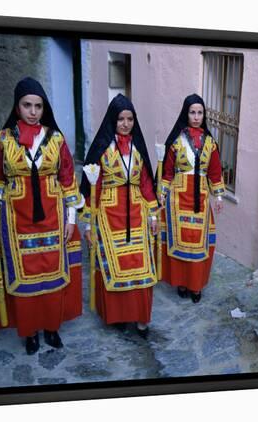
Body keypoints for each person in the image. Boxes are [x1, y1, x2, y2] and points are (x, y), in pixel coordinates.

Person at [0, 77, 83, 355]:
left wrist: (71, 220)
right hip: (17, 220)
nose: (33, 111)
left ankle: (51, 327)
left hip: (52, 217)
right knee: (24, 279)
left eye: (38, 106)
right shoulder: (1, 140)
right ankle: (29, 332)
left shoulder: (56, 139)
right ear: (17, 107)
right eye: (27, 105)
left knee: (52, 276)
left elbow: (67, 180)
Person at [80, 94, 158, 339]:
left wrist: (154, 215)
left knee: (142, 267)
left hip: (137, 212)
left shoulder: (138, 148)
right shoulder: (103, 149)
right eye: (121, 119)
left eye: (130, 119)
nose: (125, 123)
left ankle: (142, 318)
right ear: (112, 120)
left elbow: (146, 183)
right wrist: (88, 224)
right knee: (113, 267)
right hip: (108, 213)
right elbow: (95, 186)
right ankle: (119, 317)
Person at [159, 94, 225, 303]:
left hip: (201, 199)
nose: (196, 117)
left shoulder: (210, 143)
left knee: (198, 244)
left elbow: (215, 171)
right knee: (180, 242)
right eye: (192, 112)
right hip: (178, 199)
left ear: (204, 115)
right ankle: (182, 282)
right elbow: (168, 171)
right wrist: (161, 193)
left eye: (200, 113)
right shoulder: (176, 142)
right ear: (185, 114)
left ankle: (196, 286)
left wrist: (219, 196)